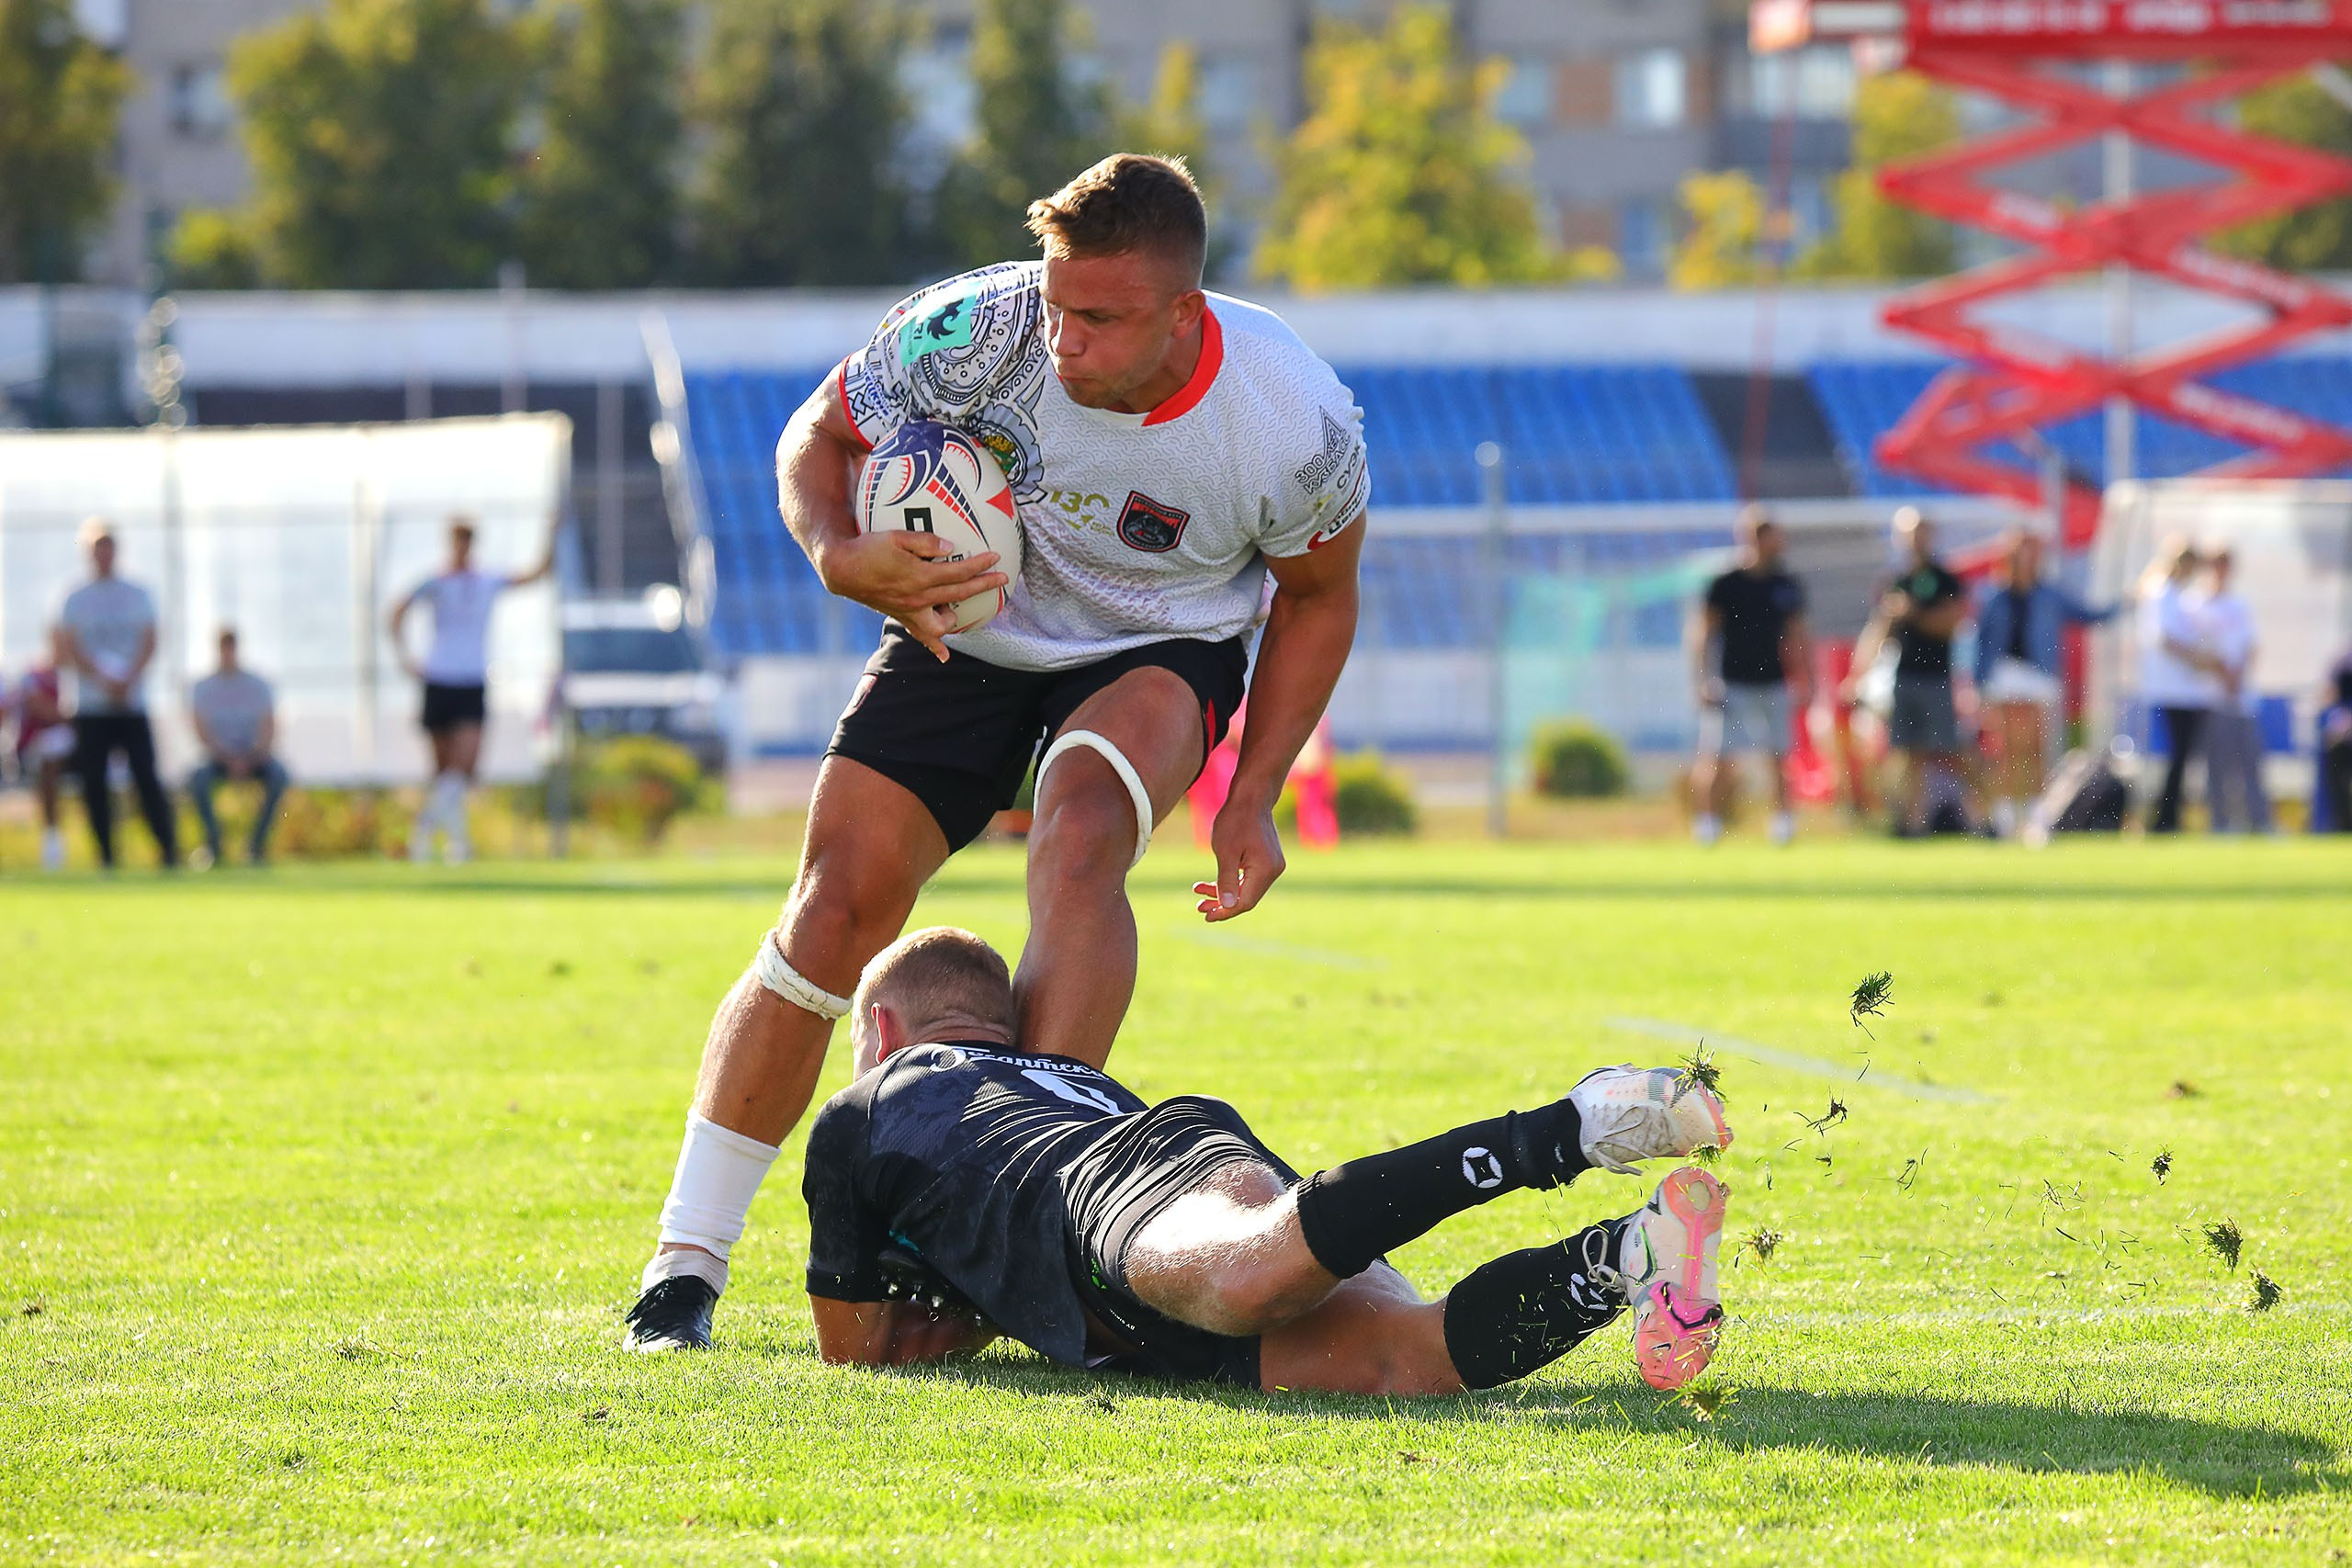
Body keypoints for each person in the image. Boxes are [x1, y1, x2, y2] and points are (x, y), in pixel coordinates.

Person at [625, 154, 1370, 1351]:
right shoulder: (977, 331)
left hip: (1160, 640)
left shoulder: (1291, 416)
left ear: (1186, 310)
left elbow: (1320, 595)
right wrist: (835, 549)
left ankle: (1016, 1195)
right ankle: (683, 1266)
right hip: (965, 620)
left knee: (1080, 831)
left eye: (1100, 316)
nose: (1062, 338)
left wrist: (1256, 794)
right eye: (1057, 298)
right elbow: (817, 435)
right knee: (833, 906)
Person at [741, 927, 1731, 1396]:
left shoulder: (864, 1102)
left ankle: (1566, 1129)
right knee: (1408, 1362)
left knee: (1244, 1278)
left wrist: (957, 1313)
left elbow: (857, 1351)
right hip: (1164, 1176)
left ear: (878, 1028)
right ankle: (1628, 1258)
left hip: (1107, 1203)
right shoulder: (1041, 1071)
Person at [388, 515, 555, 863]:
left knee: (464, 769)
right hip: (439, 680)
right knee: (443, 772)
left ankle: (425, 835)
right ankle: (455, 845)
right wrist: (405, 658)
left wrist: (551, 534)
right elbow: (396, 611)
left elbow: (536, 574)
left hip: (471, 681)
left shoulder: (487, 581)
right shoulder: (435, 582)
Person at [1844, 507, 1983, 837]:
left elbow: (1952, 624)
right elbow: (1880, 630)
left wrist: (1913, 613)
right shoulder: (1894, 580)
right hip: (1903, 678)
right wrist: (1858, 674)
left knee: (1953, 750)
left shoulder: (1944, 578)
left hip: (1936, 678)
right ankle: (1914, 821)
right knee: (1908, 754)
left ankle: (1986, 817)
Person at [1970, 529, 2114, 840]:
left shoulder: (2048, 594)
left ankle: (2037, 816)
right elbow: (1982, 641)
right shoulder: (1993, 594)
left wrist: (2126, 603)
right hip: (2004, 675)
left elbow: (2087, 615)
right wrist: (1979, 684)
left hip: (2038, 675)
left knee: (2035, 748)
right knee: (2008, 748)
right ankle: (2005, 816)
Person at [55, 519, 178, 870]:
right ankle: (106, 856)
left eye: (108, 547)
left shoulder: (137, 593)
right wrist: (102, 679)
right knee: (94, 783)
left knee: (146, 778)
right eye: (97, 548)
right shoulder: (74, 597)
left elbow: (150, 639)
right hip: (92, 707)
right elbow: (68, 645)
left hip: (131, 704)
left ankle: (168, 851)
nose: (103, 555)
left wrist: (128, 680)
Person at [1689, 504, 1812, 846]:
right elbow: (1702, 633)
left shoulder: (1785, 584)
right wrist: (1702, 678)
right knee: (1719, 757)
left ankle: (1783, 823)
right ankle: (1708, 824)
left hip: (1774, 681)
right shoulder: (1726, 583)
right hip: (1734, 682)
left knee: (1779, 756)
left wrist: (1807, 678)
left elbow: (1798, 634)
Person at [2136, 536, 2227, 834]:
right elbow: (2164, 639)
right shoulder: (2162, 593)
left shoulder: (2179, 595)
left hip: (2188, 690)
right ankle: (2163, 817)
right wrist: (2196, 659)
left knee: (2184, 756)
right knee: (2177, 754)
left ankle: (2170, 815)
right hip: (2171, 688)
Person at [187, 627, 291, 867]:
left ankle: (256, 847)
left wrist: (250, 757)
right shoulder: (203, 687)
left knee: (278, 776)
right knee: (199, 780)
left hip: (254, 757)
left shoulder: (257, 685)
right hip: (219, 758)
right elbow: (202, 732)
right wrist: (228, 758)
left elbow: (268, 727)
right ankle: (214, 845)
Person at [2195, 542, 2272, 835]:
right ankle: (2222, 823)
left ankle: (2259, 821)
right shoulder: (2196, 603)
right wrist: (2221, 672)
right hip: (2211, 697)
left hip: (2242, 697)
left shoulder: (2239, 605)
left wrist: (2237, 675)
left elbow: (2251, 646)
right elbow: (2199, 648)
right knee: (2218, 764)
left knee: (2251, 761)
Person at [6, 632, 74, 871]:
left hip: (79, 745)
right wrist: (70, 719)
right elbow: (36, 705)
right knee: (48, 760)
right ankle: (52, 837)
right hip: (38, 744)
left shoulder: (85, 677)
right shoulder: (34, 675)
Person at [2317, 643, 2352, 833]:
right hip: (2344, 737)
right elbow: (2328, 695)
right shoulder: (2342, 660)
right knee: (2334, 756)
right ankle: (2344, 825)